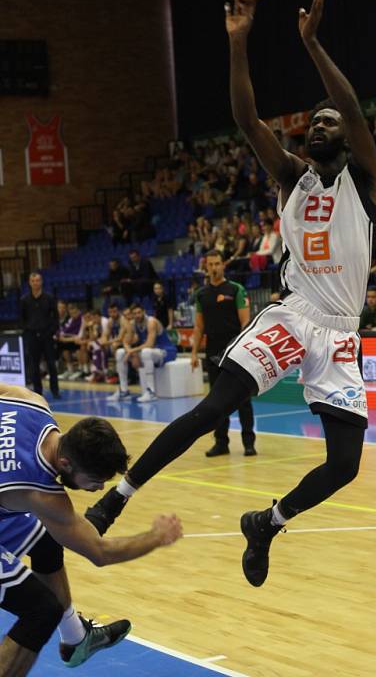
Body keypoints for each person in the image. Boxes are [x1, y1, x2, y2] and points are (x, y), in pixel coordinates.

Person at [85, 0, 376, 589]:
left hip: (341, 336)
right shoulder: (289, 176)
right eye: (314, 121)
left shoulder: (364, 182)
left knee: (345, 466)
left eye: (331, 121)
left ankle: (267, 522)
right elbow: (246, 118)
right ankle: (118, 497)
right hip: (293, 316)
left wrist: (312, 42)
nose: (321, 125)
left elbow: (351, 106)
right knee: (212, 407)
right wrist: (239, 42)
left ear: (347, 138)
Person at [0, 382, 182, 677]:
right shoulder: (42, 495)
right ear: (65, 463)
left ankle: (76, 638)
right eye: (95, 480)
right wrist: (156, 537)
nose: (98, 488)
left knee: (46, 542)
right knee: (41, 612)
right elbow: (99, 552)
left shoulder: (30, 402)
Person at [191, 249, 257, 457]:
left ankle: (248, 442)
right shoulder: (201, 294)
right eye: (210, 264)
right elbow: (199, 327)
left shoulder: (236, 290)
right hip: (212, 354)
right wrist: (194, 353)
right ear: (206, 267)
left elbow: (246, 322)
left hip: (236, 354)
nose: (214, 268)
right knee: (216, 402)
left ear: (223, 265)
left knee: (243, 400)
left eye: (217, 263)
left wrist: (242, 349)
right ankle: (221, 442)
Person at [107, 303, 177, 403]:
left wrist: (132, 351)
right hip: (151, 352)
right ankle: (124, 390)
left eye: (139, 312)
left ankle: (151, 392)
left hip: (166, 351)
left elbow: (149, 344)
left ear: (144, 312)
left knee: (146, 352)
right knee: (120, 352)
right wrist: (130, 351)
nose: (137, 315)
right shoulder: (133, 323)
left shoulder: (151, 322)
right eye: (134, 313)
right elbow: (126, 342)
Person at [20, 272, 60, 400]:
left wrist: (51, 331)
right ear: (29, 283)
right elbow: (22, 318)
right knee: (34, 365)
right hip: (32, 336)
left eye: (38, 280)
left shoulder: (49, 298)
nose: (36, 283)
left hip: (47, 336)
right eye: (33, 281)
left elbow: (56, 317)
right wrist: (27, 331)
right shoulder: (24, 300)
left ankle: (55, 390)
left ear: (41, 281)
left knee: (51, 365)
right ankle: (38, 392)